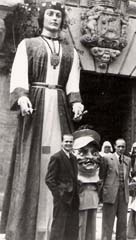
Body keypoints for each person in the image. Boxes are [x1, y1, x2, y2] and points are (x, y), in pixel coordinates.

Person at [0, 2, 84, 240]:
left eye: (58, 15)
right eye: (50, 14)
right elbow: (18, 76)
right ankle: (28, 229)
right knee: (33, 162)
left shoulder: (71, 52)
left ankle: (55, 229)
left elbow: (73, 85)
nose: (55, 19)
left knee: (62, 164)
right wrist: (22, 97)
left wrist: (76, 102)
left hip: (59, 106)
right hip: (35, 106)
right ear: (42, 18)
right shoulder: (28, 45)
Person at [45, 134, 79, 240]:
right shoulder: (56, 157)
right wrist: (59, 194)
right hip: (62, 199)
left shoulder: (73, 158)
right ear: (62, 143)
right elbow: (49, 179)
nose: (68, 144)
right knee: (59, 226)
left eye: (70, 142)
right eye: (66, 141)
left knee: (71, 226)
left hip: (73, 198)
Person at [99, 138, 131, 240]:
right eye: (119, 146)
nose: (121, 149)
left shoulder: (128, 160)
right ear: (115, 146)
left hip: (123, 194)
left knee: (122, 223)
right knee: (108, 222)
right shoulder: (107, 158)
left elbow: (127, 177)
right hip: (110, 193)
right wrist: (102, 195)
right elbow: (102, 176)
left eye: (123, 146)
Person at [73, 129, 101, 240]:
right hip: (81, 199)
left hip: (93, 199)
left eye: (94, 153)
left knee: (91, 227)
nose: (89, 157)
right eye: (83, 152)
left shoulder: (97, 173)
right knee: (81, 226)